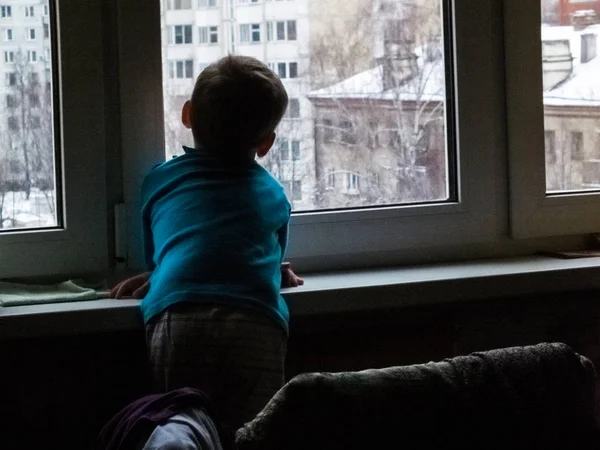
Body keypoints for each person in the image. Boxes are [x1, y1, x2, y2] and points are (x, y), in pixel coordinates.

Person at [111, 55, 304, 431]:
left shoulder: (159, 181)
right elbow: (268, 252)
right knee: (254, 433)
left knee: (184, 427)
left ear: (187, 114)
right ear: (265, 143)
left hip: (178, 318)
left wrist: (161, 274)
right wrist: (272, 272)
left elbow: (158, 252)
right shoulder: (274, 193)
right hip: (255, 322)